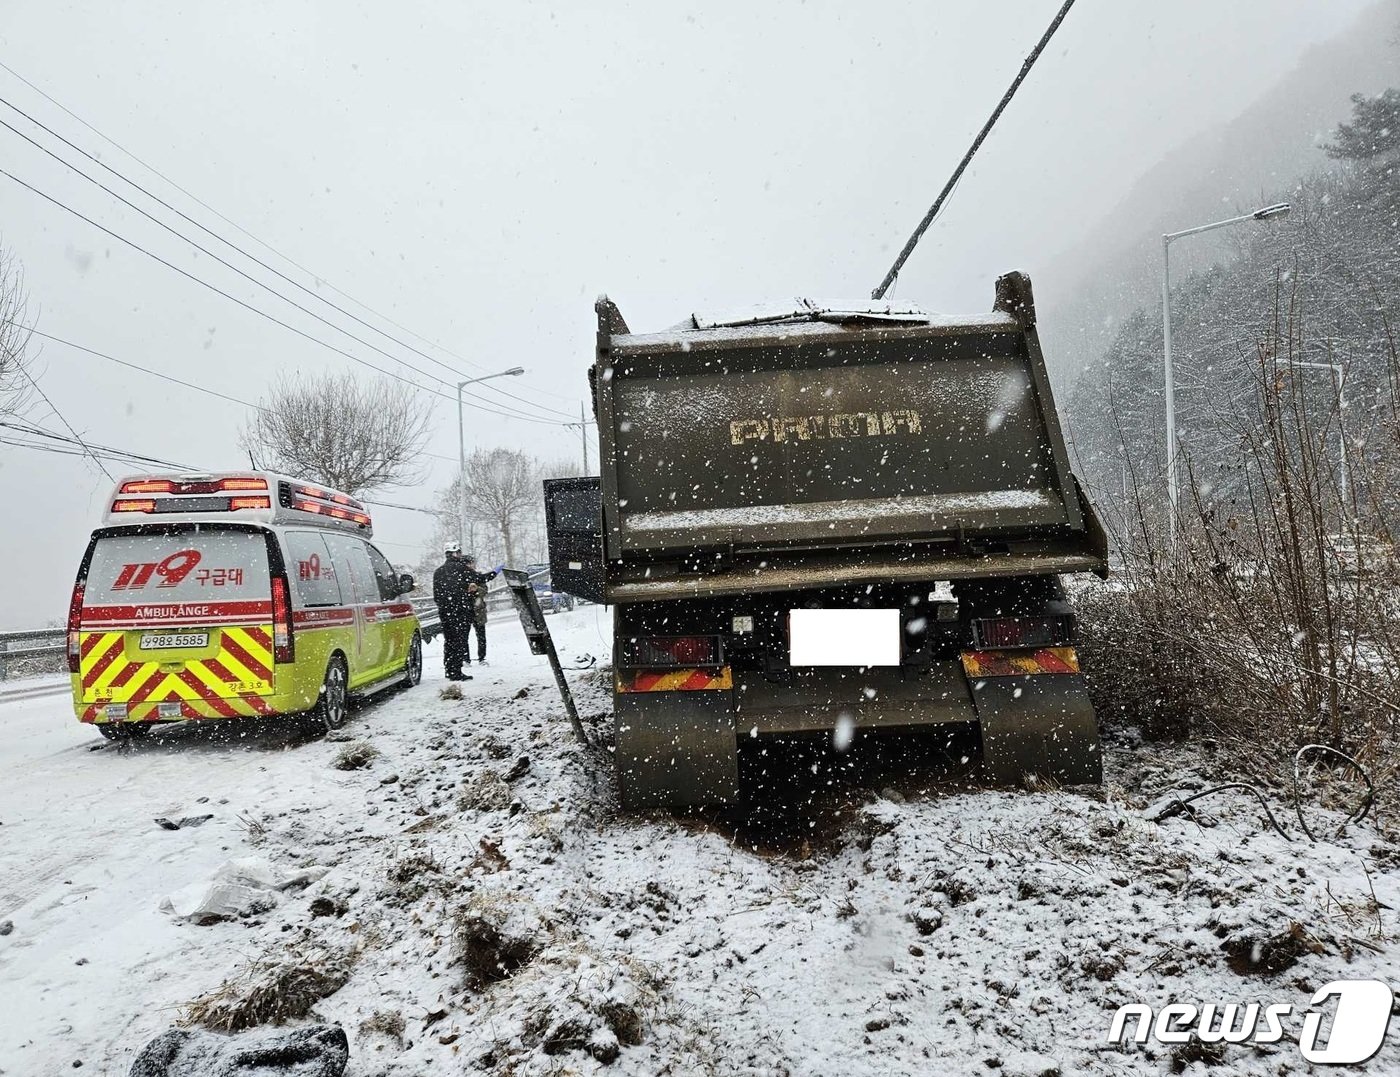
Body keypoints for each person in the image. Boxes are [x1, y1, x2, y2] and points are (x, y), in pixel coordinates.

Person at [432, 542, 475, 681]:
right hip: (461, 611)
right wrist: (495, 572)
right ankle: (456, 671)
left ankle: (449, 669)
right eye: (459, 552)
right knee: (460, 641)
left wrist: (445, 607)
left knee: (449, 641)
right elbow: (479, 579)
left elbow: (436, 596)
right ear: (456, 553)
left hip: (446, 613)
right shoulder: (462, 569)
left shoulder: (438, 572)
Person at [460, 554, 501, 665]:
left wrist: (476, 589)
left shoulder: (478, 576)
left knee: (481, 636)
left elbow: (484, 591)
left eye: (472, 563)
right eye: (470, 563)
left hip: (479, 610)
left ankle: (482, 658)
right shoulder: (460, 578)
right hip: (465, 610)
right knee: (464, 636)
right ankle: (465, 659)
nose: (472, 565)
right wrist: (466, 591)